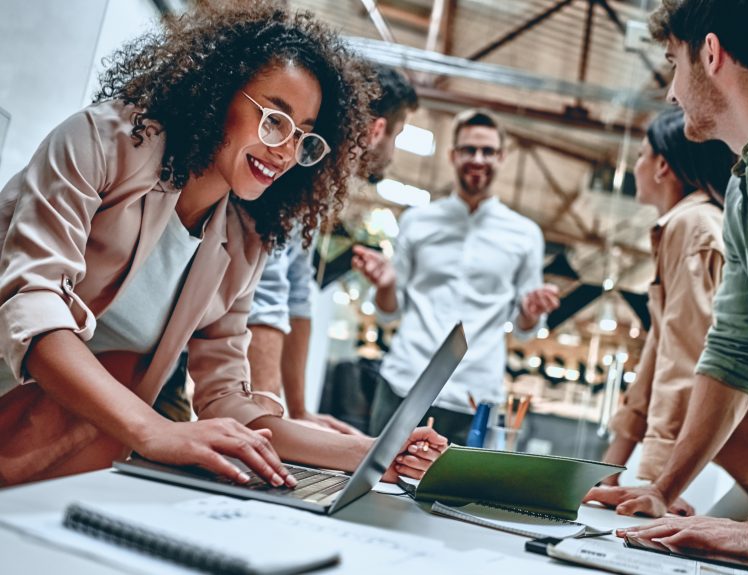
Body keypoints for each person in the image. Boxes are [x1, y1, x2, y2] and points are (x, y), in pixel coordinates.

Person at [0, 3, 445, 487]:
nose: (284, 150)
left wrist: (374, 452)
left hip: (61, 449)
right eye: (274, 119)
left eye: (304, 138)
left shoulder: (244, 240)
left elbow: (229, 399)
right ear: (216, 92)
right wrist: (154, 430)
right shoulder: (101, 143)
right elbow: (32, 304)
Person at [589, 0, 748, 566]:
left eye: (674, 63)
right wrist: (662, 491)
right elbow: (733, 350)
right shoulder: (747, 186)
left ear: (711, 54)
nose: (671, 92)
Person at [590, 109, 748, 519]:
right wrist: (609, 470)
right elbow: (656, 359)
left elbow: (685, 358)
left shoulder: (692, 226)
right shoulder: (685, 226)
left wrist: (656, 484)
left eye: (641, 155)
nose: (637, 165)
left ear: (663, 165)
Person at [353, 108, 561, 444]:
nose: (478, 159)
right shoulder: (417, 221)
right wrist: (387, 285)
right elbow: (389, 310)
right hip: (405, 382)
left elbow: (525, 330)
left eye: (488, 151)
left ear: (502, 157)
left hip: (475, 395)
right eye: (468, 149)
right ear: (452, 155)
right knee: (378, 485)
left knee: (456, 495)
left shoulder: (526, 234)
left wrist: (530, 312)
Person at [245, 65, 418, 434]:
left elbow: (296, 293)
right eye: (398, 135)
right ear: (377, 130)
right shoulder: (298, 169)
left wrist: (298, 411)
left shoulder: (321, 186)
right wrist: (271, 419)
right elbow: (268, 292)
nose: (392, 151)